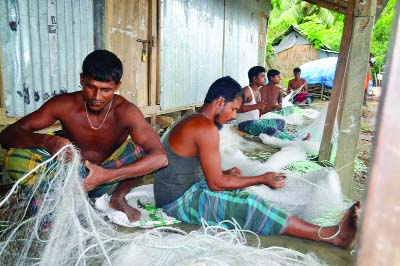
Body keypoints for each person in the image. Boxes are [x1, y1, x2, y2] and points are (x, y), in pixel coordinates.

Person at [153, 76, 359, 249]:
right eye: (233, 109)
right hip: (178, 201)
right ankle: (333, 236)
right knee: (251, 204)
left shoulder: (194, 119)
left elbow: (195, 167)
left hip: (181, 190)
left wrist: (224, 172)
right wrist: (262, 178)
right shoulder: (204, 128)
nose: (234, 116)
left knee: (241, 194)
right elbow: (215, 184)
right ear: (219, 103)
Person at [0, 50, 167, 222]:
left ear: (117, 87)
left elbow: (161, 158)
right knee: (16, 156)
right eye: (91, 87)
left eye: (106, 90)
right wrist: (47, 141)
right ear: (82, 80)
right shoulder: (64, 104)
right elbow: (7, 135)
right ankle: (47, 204)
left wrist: (106, 176)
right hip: (69, 177)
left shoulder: (126, 111)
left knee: (143, 148)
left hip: (107, 176)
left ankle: (118, 197)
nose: (97, 96)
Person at [237, 67, 302, 140]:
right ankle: (294, 140)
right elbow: (237, 108)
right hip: (245, 123)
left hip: (256, 121)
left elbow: (259, 112)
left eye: (265, 76)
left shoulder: (258, 92)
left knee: (280, 122)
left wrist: (271, 108)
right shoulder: (246, 90)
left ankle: (288, 136)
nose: (265, 78)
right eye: (262, 76)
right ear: (255, 79)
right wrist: (256, 106)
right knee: (271, 130)